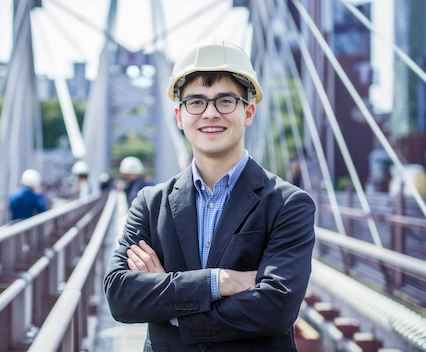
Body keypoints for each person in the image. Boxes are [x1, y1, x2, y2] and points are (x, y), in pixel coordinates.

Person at [103, 38, 316, 351]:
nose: (210, 113)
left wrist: (170, 304)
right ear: (179, 116)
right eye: (196, 102)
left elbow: (276, 309)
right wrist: (220, 282)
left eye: (226, 101)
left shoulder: (288, 204)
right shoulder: (150, 205)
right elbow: (121, 296)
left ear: (249, 112)